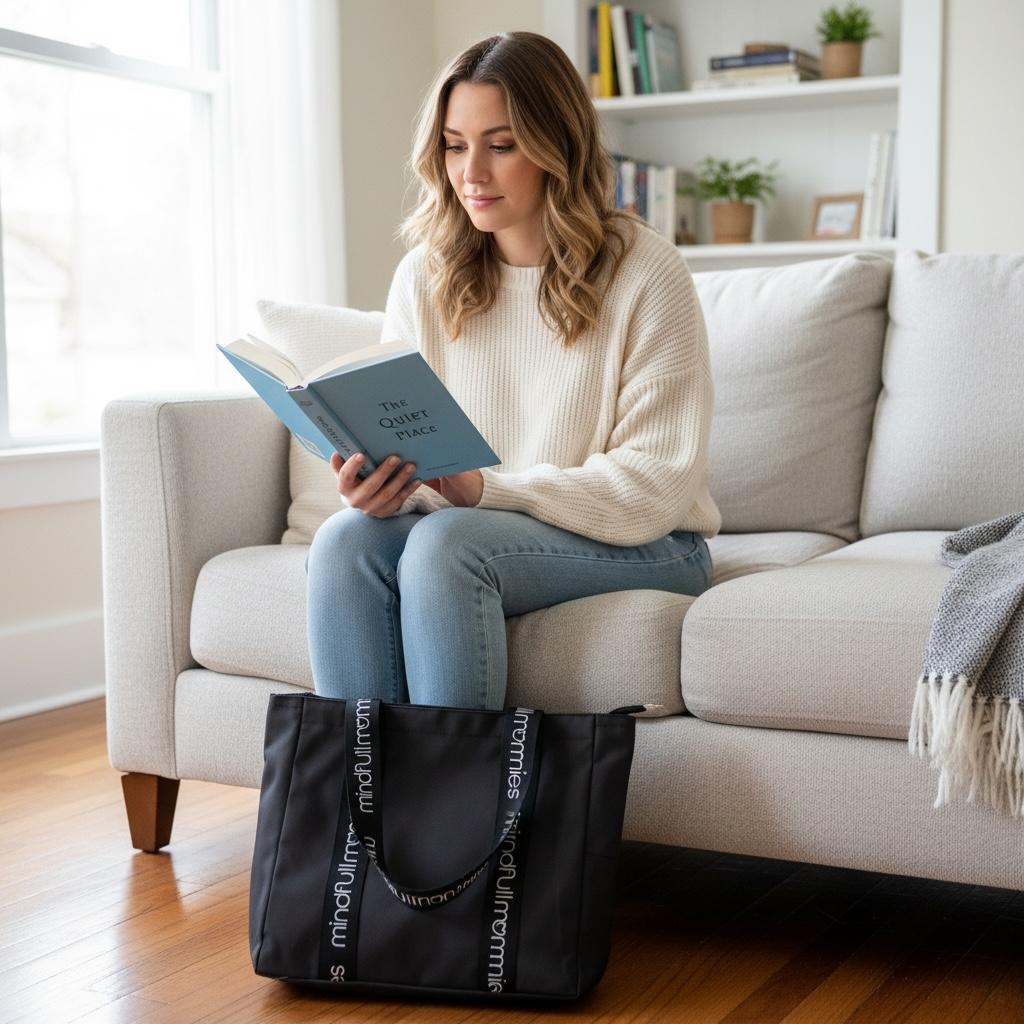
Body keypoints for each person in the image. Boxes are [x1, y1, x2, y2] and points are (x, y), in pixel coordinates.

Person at [305, 31, 722, 711]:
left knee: (447, 546)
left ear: (557, 146)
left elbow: (656, 485)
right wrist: (386, 488)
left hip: (652, 541)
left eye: (501, 146)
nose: (472, 173)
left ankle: (461, 817)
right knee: (344, 542)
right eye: (454, 144)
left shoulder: (645, 272)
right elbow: (425, 464)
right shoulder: (425, 276)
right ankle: (362, 813)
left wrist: (485, 492)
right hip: (479, 523)